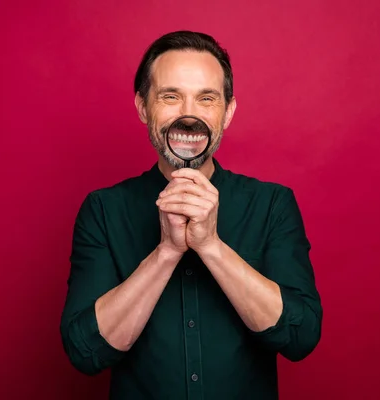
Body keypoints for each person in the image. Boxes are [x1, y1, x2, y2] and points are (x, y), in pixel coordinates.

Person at [60, 30, 323, 400]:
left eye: (207, 98)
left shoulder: (272, 205)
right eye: (170, 96)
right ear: (142, 107)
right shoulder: (103, 210)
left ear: (228, 112)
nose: (188, 114)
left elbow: (300, 336)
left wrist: (212, 247)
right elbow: (85, 351)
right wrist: (166, 252)